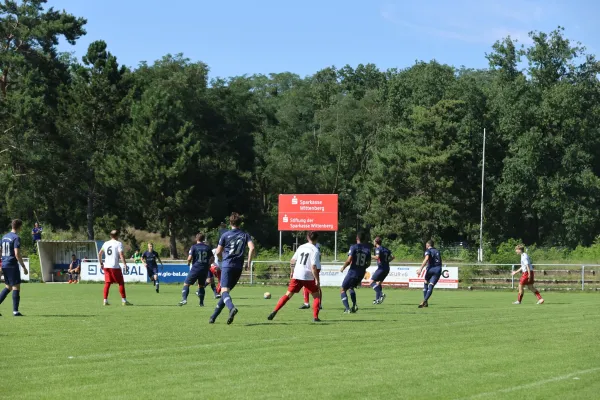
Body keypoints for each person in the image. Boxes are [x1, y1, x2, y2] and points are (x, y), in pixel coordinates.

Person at [209, 212, 255, 325]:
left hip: (227, 265)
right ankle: (213, 316)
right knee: (226, 293)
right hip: (238, 267)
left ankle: (232, 308)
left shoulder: (225, 235)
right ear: (240, 223)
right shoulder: (245, 235)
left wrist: (220, 260)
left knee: (224, 291)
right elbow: (252, 248)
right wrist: (248, 263)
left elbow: (219, 252)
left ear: (230, 223)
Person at [268, 231, 322, 322]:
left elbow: (292, 260)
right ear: (317, 239)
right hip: (307, 275)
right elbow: (313, 266)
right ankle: (315, 317)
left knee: (288, 295)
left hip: (297, 274)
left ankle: (275, 310)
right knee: (316, 296)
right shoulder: (315, 250)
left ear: (307, 238)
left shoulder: (301, 247)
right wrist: (317, 279)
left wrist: (292, 271)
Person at [0, 219, 29, 316]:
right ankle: (15, 311)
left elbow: (0, 251)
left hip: (4, 264)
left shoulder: (4, 237)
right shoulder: (16, 237)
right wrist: (24, 267)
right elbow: (17, 254)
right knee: (16, 287)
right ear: (19, 227)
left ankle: (15, 310)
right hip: (12, 264)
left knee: (8, 287)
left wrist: (2, 263)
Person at [98, 230, 132, 306]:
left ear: (110, 236)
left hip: (106, 266)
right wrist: (125, 264)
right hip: (114, 267)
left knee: (107, 283)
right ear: (117, 236)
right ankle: (124, 301)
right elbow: (121, 255)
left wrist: (101, 263)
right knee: (120, 283)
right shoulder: (118, 244)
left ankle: (105, 301)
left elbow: (99, 254)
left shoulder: (106, 243)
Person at [339, 232, 371, 313]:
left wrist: (343, 267)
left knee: (342, 290)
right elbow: (369, 263)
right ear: (364, 239)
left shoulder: (353, 247)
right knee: (351, 288)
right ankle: (354, 305)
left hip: (353, 272)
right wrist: (362, 268)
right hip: (361, 273)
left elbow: (349, 260)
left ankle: (347, 309)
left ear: (357, 238)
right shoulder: (367, 249)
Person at [179, 233, 213, 307]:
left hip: (196, 268)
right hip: (204, 269)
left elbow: (189, 258)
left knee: (186, 284)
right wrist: (209, 264)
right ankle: (201, 303)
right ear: (203, 239)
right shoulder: (207, 248)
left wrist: (188, 263)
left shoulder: (194, 247)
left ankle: (184, 299)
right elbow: (212, 258)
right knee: (201, 285)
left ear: (196, 239)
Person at [416, 240, 442, 308]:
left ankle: (424, 301)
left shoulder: (428, 251)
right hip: (438, 269)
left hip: (431, 269)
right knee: (431, 285)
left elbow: (426, 258)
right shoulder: (437, 251)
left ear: (428, 245)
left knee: (426, 282)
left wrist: (420, 268)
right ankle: (425, 302)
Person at [370, 236, 395, 304]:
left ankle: (381, 294)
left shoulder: (378, 249)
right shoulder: (386, 249)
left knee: (371, 282)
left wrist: (369, 255)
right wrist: (386, 261)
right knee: (378, 283)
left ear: (376, 242)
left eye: (374, 241)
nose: (373, 242)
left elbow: (377, 257)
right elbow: (393, 257)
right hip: (387, 268)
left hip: (381, 268)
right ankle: (378, 300)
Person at [300, 242, 322, 309]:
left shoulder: (308, 246)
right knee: (312, 285)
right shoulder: (318, 245)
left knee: (308, 285)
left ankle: (308, 303)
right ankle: (317, 304)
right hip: (316, 266)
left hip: (312, 267)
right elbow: (320, 256)